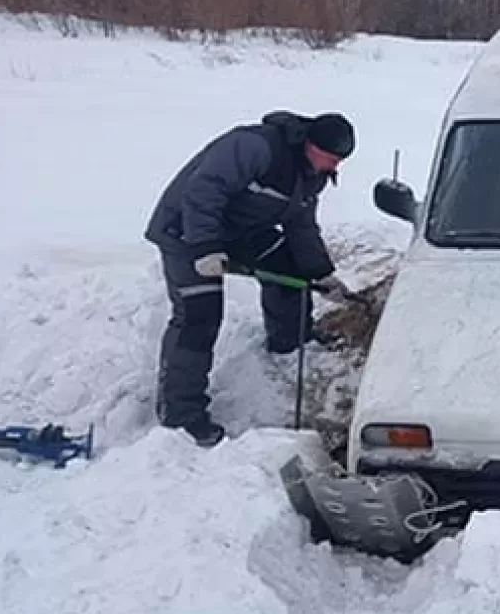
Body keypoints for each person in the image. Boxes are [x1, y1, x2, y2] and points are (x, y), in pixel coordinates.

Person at [143, 110, 357, 447]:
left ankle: (290, 339)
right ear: (310, 144)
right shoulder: (256, 147)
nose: (334, 167)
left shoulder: (312, 174)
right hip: (186, 230)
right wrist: (205, 248)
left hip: (239, 230)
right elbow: (203, 190)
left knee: (290, 268)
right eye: (330, 158)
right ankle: (182, 415)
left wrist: (322, 274)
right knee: (199, 315)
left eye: (339, 161)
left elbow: (300, 225)